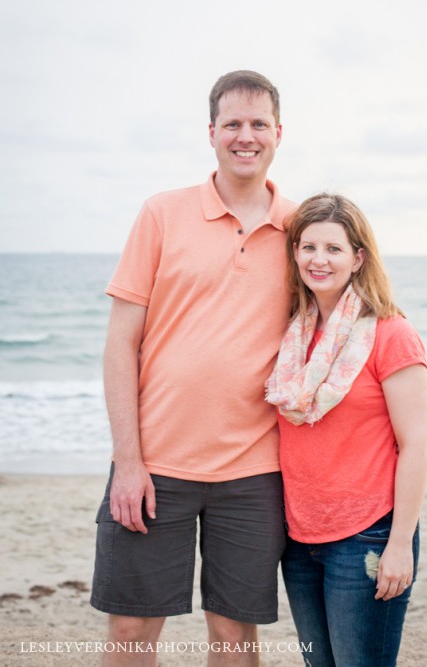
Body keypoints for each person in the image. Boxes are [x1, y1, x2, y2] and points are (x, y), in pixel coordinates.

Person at [90, 70, 294, 664]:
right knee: (131, 633)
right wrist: (128, 462)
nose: (245, 136)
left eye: (258, 124)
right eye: (232, 123)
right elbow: (118, 345)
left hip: (254, 471)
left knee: (234, 638)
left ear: (279, 133)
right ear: (211, 133)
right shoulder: (161, 213)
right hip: (154, 466)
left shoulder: (301, 226)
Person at [266, 193, 427, 667]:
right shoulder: (293, 334)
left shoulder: (391, 333)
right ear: (294, 253)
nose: (319, 260)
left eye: (334, 249)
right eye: (308, 247)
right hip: (299, 539)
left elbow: (416, 444)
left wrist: (399, 545)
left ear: (359, 258)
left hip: (368, 537)